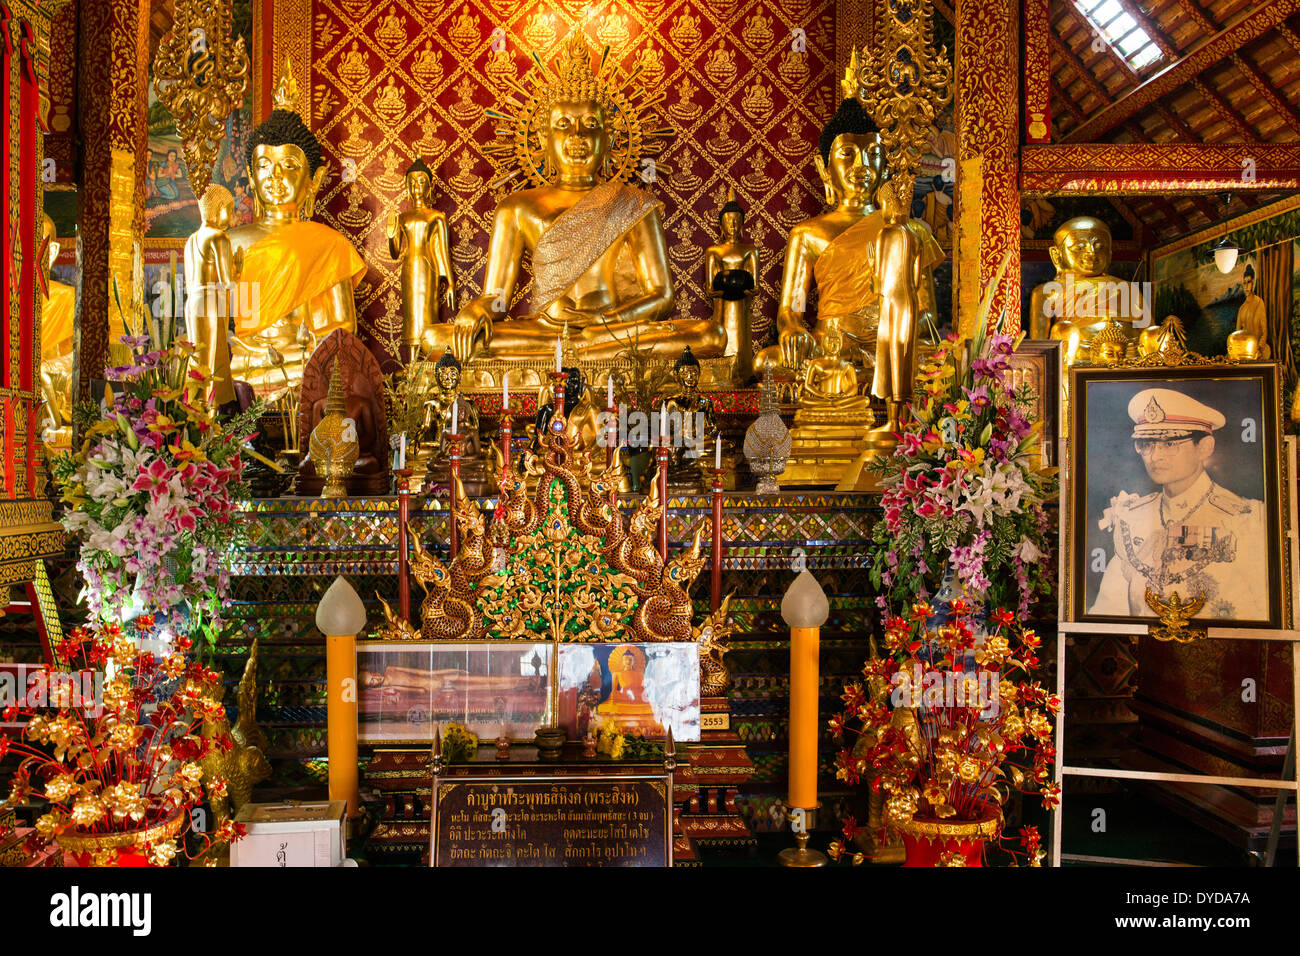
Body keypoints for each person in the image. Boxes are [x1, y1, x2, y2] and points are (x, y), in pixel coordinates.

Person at [1090, 387, 1267, 620]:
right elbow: (1108, 612)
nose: (1155, 456)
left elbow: (1264, 609)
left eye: (1170, 444)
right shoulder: (1131, 517)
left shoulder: (1247, 517)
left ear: (1205, 447)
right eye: (1146, 444)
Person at [1235, 262, 1270, 359]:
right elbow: (1238, 334)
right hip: (1245, 352)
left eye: (1249, 282)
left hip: (1259, 350)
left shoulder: (1259, 303)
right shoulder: (1242, 308)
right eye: (1244, 283)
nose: (1246, 286)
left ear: (1253, 282)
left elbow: (1264, 331)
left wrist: (1259, 348)